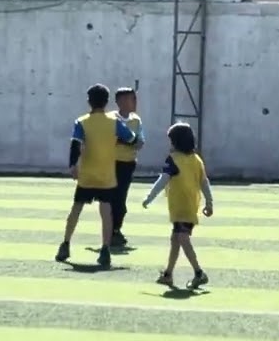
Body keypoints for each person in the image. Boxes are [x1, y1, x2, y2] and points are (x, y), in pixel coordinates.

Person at [58, 84, 138, 269]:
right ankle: (105, 250)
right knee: (106, 212)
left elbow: (75, 145)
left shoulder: (82, 122)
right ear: (107, 101)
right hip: (106, 175)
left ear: (89, 101)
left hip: (87, 175)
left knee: (76, 209)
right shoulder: (114, 122)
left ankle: (66, 244)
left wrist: (73, 165)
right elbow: (132, 138)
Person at [142, 122, 213, 289]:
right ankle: (168, 274)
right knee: (175, 239)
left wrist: (149, 197)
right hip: (189, 206)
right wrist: (209, 202)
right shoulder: (197, 160)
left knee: (182, 238)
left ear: (176, 142)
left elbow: (163, 180)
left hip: (181, 208)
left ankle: (199, 273)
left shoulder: (173, 160)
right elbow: (204, 182)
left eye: (171, 141)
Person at [111, 86, 144, 249]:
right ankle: (112, 231)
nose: (135, 102)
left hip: (128, 164)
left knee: (121, 199)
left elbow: (140, 142)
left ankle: (115, 230)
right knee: (111, 199)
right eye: (132, 99)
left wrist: (125, 141)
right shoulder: (111, 119)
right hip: (111, 163)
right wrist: (129, 141)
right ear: (121, 101)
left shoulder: (136, 120)